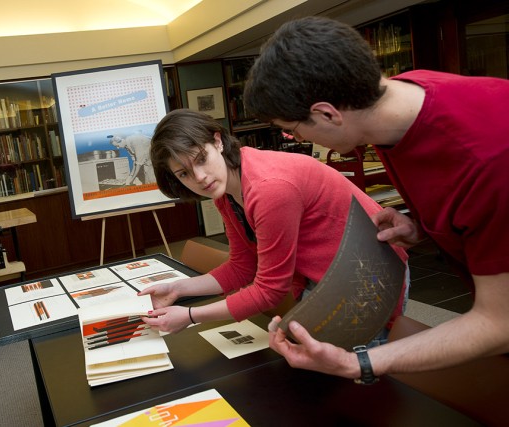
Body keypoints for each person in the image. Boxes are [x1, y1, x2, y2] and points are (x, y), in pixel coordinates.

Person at [243, 16, 509, 381]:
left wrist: (359, 363)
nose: (297, 140)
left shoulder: (489, 160)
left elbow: (499, 322)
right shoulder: (398, 104)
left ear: (326, 113)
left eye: (293, 130)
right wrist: (424, 227)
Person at [139, 109, 408, 345]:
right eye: (184, 173)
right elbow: (243, 266)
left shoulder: (268, 188)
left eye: (200, 158)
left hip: (367, 273)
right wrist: (177, 289)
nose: (199, 178)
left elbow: (269, 290)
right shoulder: (227, 190)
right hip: (326, 274)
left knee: (358, 377)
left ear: (217, 141)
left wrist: (189, 316)